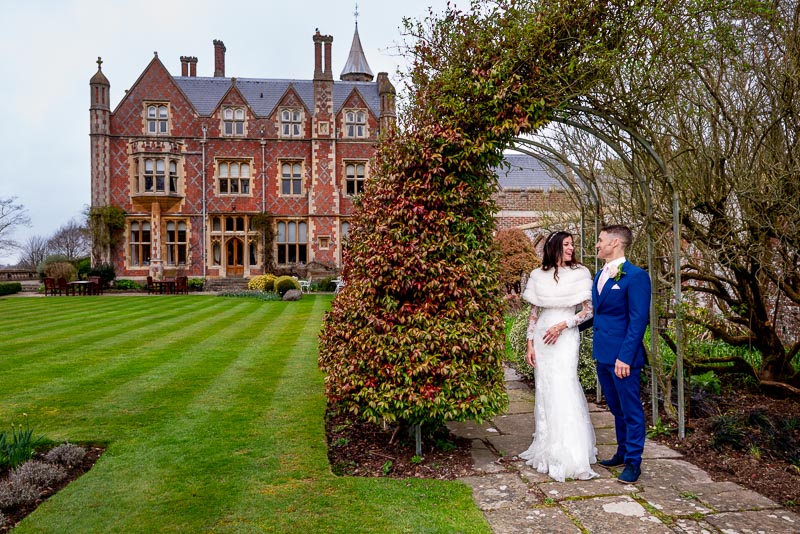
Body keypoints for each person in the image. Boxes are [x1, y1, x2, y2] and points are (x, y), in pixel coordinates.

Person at [518, 231, 598, 482]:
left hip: (565, 336)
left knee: (565, 385)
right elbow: (534, 312)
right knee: (545, 388)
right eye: (566, 244)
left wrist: (563, 325)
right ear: (554, 247)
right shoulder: (537, 275)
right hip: (542, 336)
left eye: (572, 244)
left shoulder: (581, 273)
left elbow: (588, 311)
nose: (571, 248)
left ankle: (570, 452)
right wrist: (529, 343)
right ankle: (546, 445)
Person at [592, 224, 651, 483]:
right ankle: (622, 451)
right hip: (602, 354)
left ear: (615, 243)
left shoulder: (636, 276)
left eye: (601, 240)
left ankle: (634, 462)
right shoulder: (599, 275)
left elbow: (638, 321)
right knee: (616, 408)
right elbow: (599, 314)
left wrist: (625, 357)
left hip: (623, 358)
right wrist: (565, 326)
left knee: (631, 409)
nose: (597, 244)